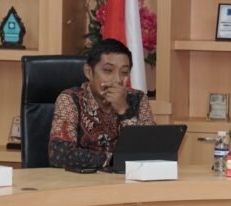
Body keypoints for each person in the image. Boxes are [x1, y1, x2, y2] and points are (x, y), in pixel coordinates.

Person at [49, 38, 155, 169]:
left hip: (125, 180)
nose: (117, 79)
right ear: (89, 72)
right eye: (108, 70)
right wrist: (112, 160)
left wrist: (124, 111)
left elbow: (151, 151)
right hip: (82, 180)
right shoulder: (71, 100)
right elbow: (59, 154)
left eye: (124, 72)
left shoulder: (138, 99)